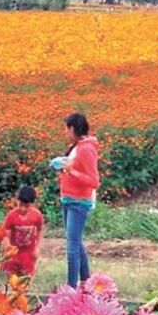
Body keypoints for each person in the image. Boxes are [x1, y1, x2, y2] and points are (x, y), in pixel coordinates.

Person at [56, 112, 100, 288]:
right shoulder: (78, 146)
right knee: (76, 241)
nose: (65, 133)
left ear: (72, 129)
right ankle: (85, 281)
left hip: (78, 202)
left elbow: (94, 181)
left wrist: (72, 171)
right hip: (69, 199)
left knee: (72, 246)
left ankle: (71, 288)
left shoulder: (86, 149)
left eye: (66, 129)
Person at [1, 186, 44, 276]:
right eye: (20, 205)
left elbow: (40, 231)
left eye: (27, 206)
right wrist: (8, 250)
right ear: (16, 201)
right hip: (14, 251)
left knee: (26, 275)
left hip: (28, 251)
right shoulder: (11, 216)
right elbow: (5, 235)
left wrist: (38, 248)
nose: (23, 209)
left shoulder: (37, 215)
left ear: (32, 204)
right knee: (10, 275)